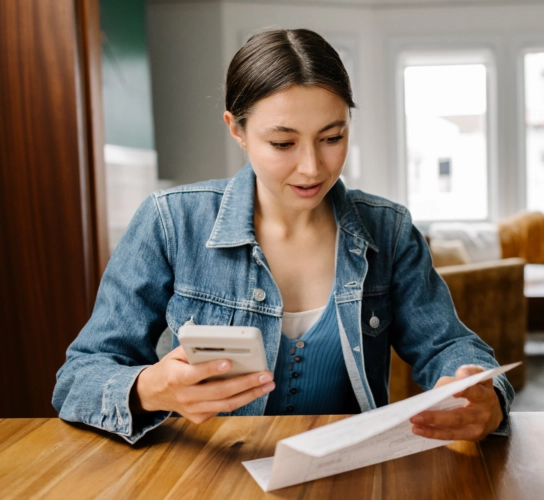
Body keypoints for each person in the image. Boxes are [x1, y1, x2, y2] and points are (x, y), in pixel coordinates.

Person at [52, 28, 514, 444]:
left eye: (332, 137)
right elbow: (78, 378)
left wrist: (482, 393)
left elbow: (449, 345)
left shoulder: (388, 230)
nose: (312, 168)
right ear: (237, 129)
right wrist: (148, 389)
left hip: (350, 474)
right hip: (204, 478)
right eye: (282, 144)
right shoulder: (171, 222)